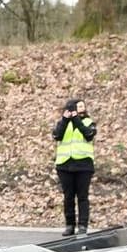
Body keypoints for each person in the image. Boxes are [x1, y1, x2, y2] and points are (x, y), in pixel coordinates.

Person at [53, 96, 97, 236]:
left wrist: (76, 119)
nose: (81, 109)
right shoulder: (63, 123)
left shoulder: (88, 122)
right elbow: (57, 135)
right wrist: (66, 120)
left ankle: (83, 225)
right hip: (65, 165)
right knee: (68, 197)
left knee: (82, 197)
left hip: (83, 165)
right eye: (78, 107)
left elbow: (88, 134)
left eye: (83, 106)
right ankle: (69, 225)